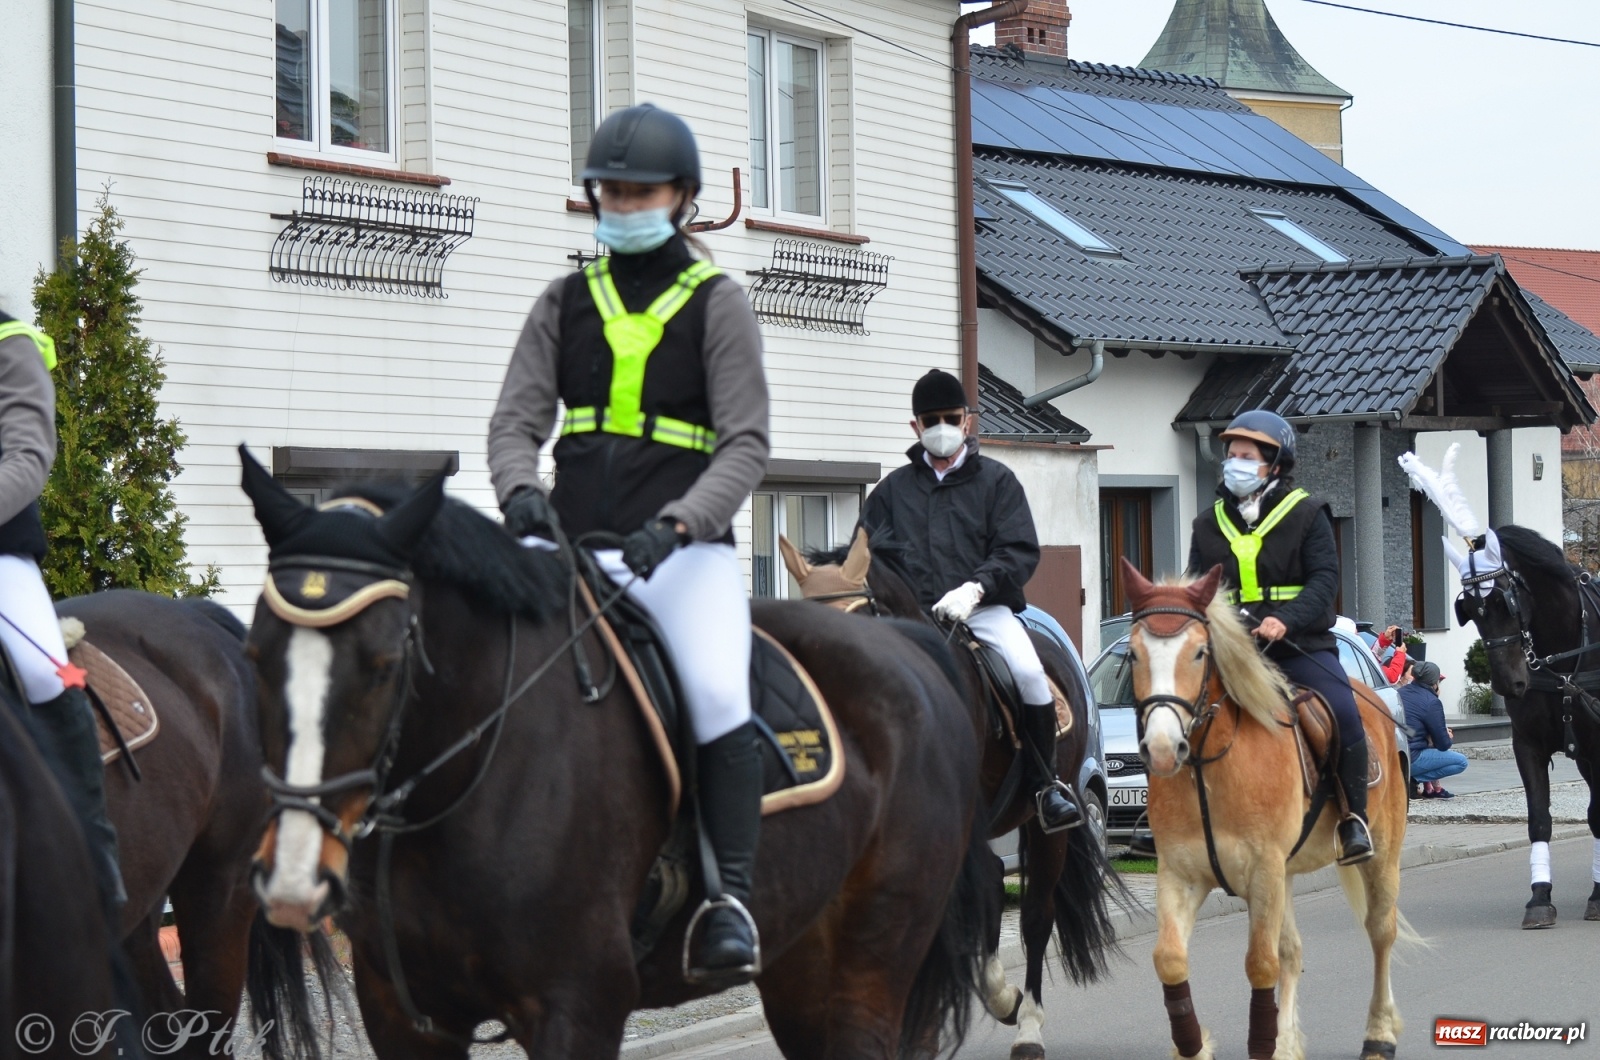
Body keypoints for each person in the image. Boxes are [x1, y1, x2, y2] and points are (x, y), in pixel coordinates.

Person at [486, 104, 769, 981]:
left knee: (721, 690)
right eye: (609, 190)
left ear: (681, 198)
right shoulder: (562, 301)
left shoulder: (718, 304)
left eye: (639, 190)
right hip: (569, 548)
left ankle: (731, 901)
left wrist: (681, 524)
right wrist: (519, 495)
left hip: (682, 557)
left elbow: (746, 445)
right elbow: (514, 424)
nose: (622, 202)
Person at [859, 368, 1082, 833]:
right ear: (916, 427)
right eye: (931, 419)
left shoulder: (998, 483)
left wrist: (976, 588)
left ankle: (1046, 786)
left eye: (950, 417)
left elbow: (1018, 550)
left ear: (967, 421)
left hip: (984, 611)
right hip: (912, 620)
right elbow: (865, 557)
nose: (941, 426)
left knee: (1027, 672)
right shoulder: (890, 493)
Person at [1188, 409, 1374, 865]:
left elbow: (1325, 581)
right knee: (1175, 707)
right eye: (1231, 455)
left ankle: (1354, 819)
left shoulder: (1308, 513)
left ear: (1273, 463)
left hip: (1298, 645)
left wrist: (1286, 619)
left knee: (1345, 712)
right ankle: (1177, 817)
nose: (1234, 462)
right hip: (1233, 649)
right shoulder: (1206, 524)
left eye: (1246, 455)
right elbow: (1199, 587)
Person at [0, 310, 125, 914]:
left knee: (43, 670)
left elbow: (27, 456)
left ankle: (92, 853)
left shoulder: (11, 343)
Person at [1400, 661, 1466, 798]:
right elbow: (1443, 745)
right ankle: (1413, 779)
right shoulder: (1432, 702)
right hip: (1412, 757)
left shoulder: (1399, 692)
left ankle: (1408, 779)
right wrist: (1447, 737)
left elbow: (1408, 728)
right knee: (1461, 762)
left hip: (1395, 753)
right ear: (1435, 682)